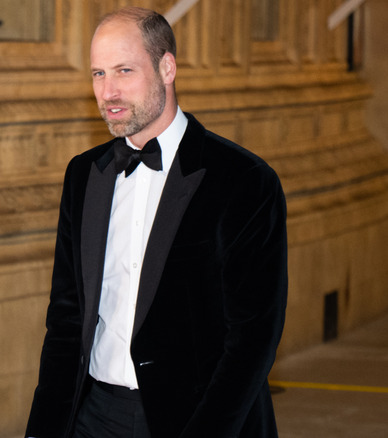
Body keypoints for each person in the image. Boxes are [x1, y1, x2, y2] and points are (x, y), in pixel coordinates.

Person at [26, 7, 287, 438]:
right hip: (93, 414)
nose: (108, 91)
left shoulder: (242, 180)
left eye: (124, 70)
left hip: (194, 418)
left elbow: (253, 339)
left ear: (167, 67)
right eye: (97, 74)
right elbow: (67, 317)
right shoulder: (84, 175)